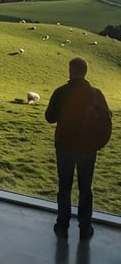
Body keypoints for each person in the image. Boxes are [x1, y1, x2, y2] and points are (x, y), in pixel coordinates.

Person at [45, 57, 105, 239]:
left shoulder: (60, 92)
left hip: (65, 147)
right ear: (85, 72)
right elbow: (105, 118)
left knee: (64, 186)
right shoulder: (96, 94)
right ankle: (85, 228)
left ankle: (62, 226)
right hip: (87, 149)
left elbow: (49, 117)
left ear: (70, 71)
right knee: (85, 188)